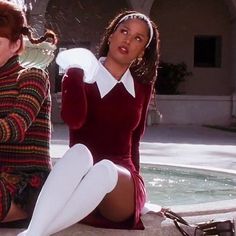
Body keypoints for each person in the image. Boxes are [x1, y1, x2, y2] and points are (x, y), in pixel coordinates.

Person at [18, 10, 159, 236]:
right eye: (124, 32)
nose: (128, 40)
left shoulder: (142, 86)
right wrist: (74, 72)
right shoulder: (78, 73)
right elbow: (74, 120)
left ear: (142, 52)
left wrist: (141, 199)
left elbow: (134, 142)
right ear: (111, 35)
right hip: (83, 185)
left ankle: (33, 234)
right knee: (80, 153)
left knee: (104, 169)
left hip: (119, 189)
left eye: (138, 38)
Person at [0, 0, 57, 227]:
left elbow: (15, 127)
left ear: (16, 45)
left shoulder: (33, 76)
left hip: (26, 184)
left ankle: (22, 214)